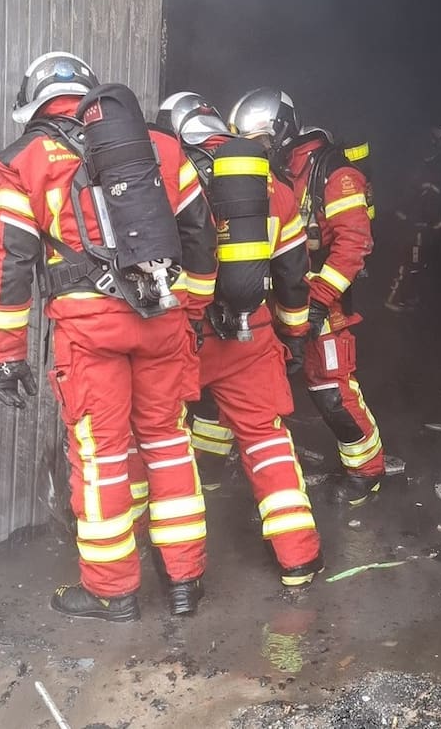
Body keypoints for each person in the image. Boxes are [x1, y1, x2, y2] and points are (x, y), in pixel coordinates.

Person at [0, 53, 218, 622]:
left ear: (34, 104)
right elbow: (201, 235)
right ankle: (184, 582)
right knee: (168, 444)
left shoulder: (24, 161)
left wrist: (7, 354)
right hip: (162, 321)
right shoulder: (161, 146)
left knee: (103, 457)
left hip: (90, 333)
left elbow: (12, 263)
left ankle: (113, 591)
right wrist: (191, 310)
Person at [155, 92, 324, 587]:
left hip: (183, 333)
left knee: (161, 440)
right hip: (252, 333)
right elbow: (293, 275)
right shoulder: (274, 186)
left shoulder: (163, 176)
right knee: (266, 440)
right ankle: (298, 559)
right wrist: (295, 334)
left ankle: (172, 567)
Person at [231, 88, 385, 506]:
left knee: (331, 391)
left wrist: (317, 301)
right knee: (247, 384)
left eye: (260, 140)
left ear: (281, 130)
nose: (256, 149)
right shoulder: (275, 171)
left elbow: (353, 245)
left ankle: (366, 472)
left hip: (323, 308)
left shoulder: (334, 174)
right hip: (276, 302)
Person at [385, 126, 441, 313]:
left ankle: (408, 296)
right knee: (408, 262)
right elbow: (426, 202)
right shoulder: (427, 169)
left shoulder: (425, 165)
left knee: (415, 263)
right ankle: (394, 299)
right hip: (412, 225)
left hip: (414, 224)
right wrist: (440, 224)